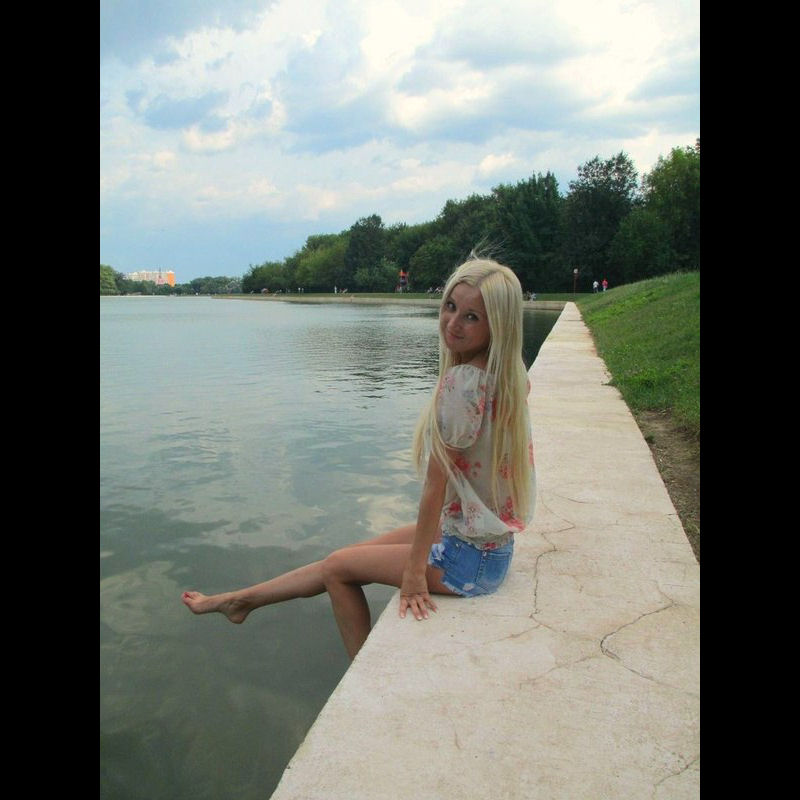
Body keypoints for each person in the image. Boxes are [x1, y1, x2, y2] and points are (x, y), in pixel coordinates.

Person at [182, 257, 537, 660]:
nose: (452, 323)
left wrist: (414, 573)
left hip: (469, 561)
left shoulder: (464, 383)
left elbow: (435, 486)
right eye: (450, 307)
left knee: (338, 569)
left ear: (497, 326)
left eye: (471, 317)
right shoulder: (508, 373)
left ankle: (367, 673)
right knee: (346, 556)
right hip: (487, 548)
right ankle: (240, 601)